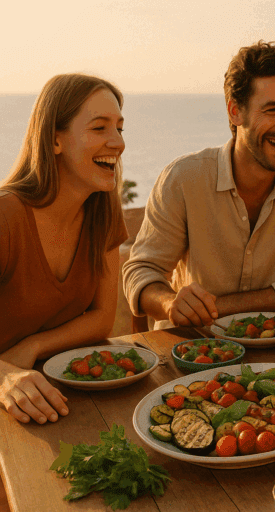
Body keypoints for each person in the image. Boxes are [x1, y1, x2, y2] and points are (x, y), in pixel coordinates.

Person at [123, 41, 275, 329]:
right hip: (193, 350)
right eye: (273, 110)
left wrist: (217, 308)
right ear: (235, 111)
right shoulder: (183, 179)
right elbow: (141, 271)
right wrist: (170, 303)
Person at [0, 74, 128, 424]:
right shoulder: (6, 218)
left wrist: (32, 347)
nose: (117, 142)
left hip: (55, 398)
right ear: (55, 140)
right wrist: (4, 376)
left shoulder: (102, 211)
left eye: (119, 128)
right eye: (100, 128)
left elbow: (102, 318)